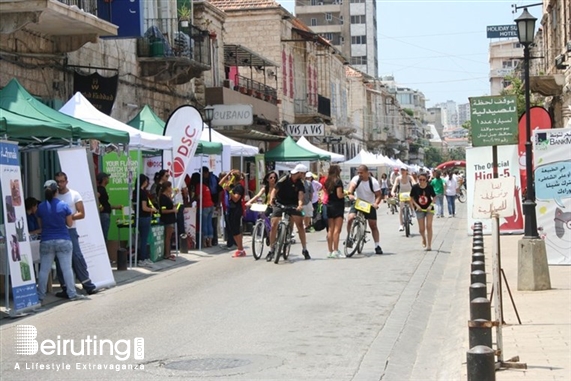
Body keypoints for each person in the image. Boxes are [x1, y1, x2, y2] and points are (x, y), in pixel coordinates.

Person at [36, 180, 86, 301]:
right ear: (56, 191)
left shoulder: (40, 207)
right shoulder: (64, 205)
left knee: (44, 270)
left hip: (46, 240)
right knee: (67, 269)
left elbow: (41, 226)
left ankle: (40, 296)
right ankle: (72, 294)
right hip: (63, 239)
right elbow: (69, 223)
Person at [54, 171, 97, 297]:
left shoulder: (74, 195)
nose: (59, 184)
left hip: (70, 230)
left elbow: (81, 213)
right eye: (57, 182)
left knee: (77, 256)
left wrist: (68, 218)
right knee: (59, 259)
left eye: (62, 181)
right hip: (58, 231)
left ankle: (87, 285)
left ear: (66, 181)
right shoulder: (54, 196)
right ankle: (65, 287)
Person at [267, 164, 311, 261]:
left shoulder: (300, 183)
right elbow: (275, 189)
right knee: (274, 224)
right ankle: (271, 250)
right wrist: (272, 200)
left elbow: (300, 195)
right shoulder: (284, 178)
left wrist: (300, 205)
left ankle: (304, 249)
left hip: (293, 204)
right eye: (304, 174)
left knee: (300, 225)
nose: (304, 176)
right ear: (299, 173)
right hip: (280, 202)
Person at [346, 165, 383, 254]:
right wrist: (350, 194)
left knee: (373, 225)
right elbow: (351, 188)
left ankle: (377, 245)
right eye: (358, 172)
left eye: (361, 173)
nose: (360, 174)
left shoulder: (373, 182)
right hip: (358, 202)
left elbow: (378, 195)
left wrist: (376, 203)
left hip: (369, 205)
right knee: (350, 218)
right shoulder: (356, 179)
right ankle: (349, 237)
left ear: (367, 172)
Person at [132, 174, 157, 267]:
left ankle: (142, 257)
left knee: (141, 239)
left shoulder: (135, 192)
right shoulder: (142, 193)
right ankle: (142, 259)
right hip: (144, 217)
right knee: (144, 239)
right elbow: (144, 207)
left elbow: (134, 206)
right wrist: (152, 210)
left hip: (138, 217)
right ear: (144, 182)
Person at [410, 172, 436, 251]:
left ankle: (429, 245)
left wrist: (431, 205)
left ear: (426, 180)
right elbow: (411, 198)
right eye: (420, 179)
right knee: (421, 229)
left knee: (429, 226)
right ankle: (423, 238)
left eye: (423, 180)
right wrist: (416, 206)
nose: (421, 181)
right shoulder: (415, 187)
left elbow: (434, 197)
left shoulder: (429, 187)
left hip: (428, 208)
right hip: (419, 209)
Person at [324, 165, 345, 258]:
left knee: (330, 230)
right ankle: (336, 250)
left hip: (329, 205)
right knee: (337, 230)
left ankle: (329, 251)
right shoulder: (338, 181)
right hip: (338, 206)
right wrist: (347, 193)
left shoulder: (327, 181)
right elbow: (339, 195)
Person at [191, 172, 215, 248]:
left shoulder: (199, 186)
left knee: (203, 224)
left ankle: (204, 242)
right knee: (209, 223)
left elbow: (199, 197)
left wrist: (191, 200)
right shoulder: (205, 185)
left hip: (204, 206)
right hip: (210, 205)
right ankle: (210, 242)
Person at [96, 172, 122, 241]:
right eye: (107, 177)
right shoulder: (101, 189)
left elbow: (106, 205)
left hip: (105, 214)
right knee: (104, 236)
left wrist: (116, 207)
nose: (108, 179)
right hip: (104, 215)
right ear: (104, 179)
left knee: (104, 234)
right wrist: (100, 206)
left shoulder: (102, 189)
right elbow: (96, 196)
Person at [391, 167, 417, 232]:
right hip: (402, 194)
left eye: (404, 170)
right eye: (401, 170)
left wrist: (415, 185)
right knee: (401, 207)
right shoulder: (398, 178)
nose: (402, 171)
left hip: (409, 193)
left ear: (406, 171)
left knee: (410, 200)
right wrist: (392, 192)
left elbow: (414, 182)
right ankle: (401, 225)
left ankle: (412, 210)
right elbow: (394, 186)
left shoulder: (409, 177)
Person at [202, 167, 222, 246]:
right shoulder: (215, 178)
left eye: (203, 173)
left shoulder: (210, 180)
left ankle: (213, 240)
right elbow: (220, 191)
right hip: (213, 203)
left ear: (206, 173)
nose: (202, 175)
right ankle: (213, 241)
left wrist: (218, 203)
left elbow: (220, 191)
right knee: (212, 223)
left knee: (212, 223)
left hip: (212, 203)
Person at [158, 180, 177, 261]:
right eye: (170, 187)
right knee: (167, 237)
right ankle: (167, 254)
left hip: (171, 219)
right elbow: (163, 210)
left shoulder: (167, 196)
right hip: (167, 219)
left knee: (169, 237)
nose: (171, 188)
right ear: (167, 188)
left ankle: (168, 252)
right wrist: (172, 210)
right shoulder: (163, 197)